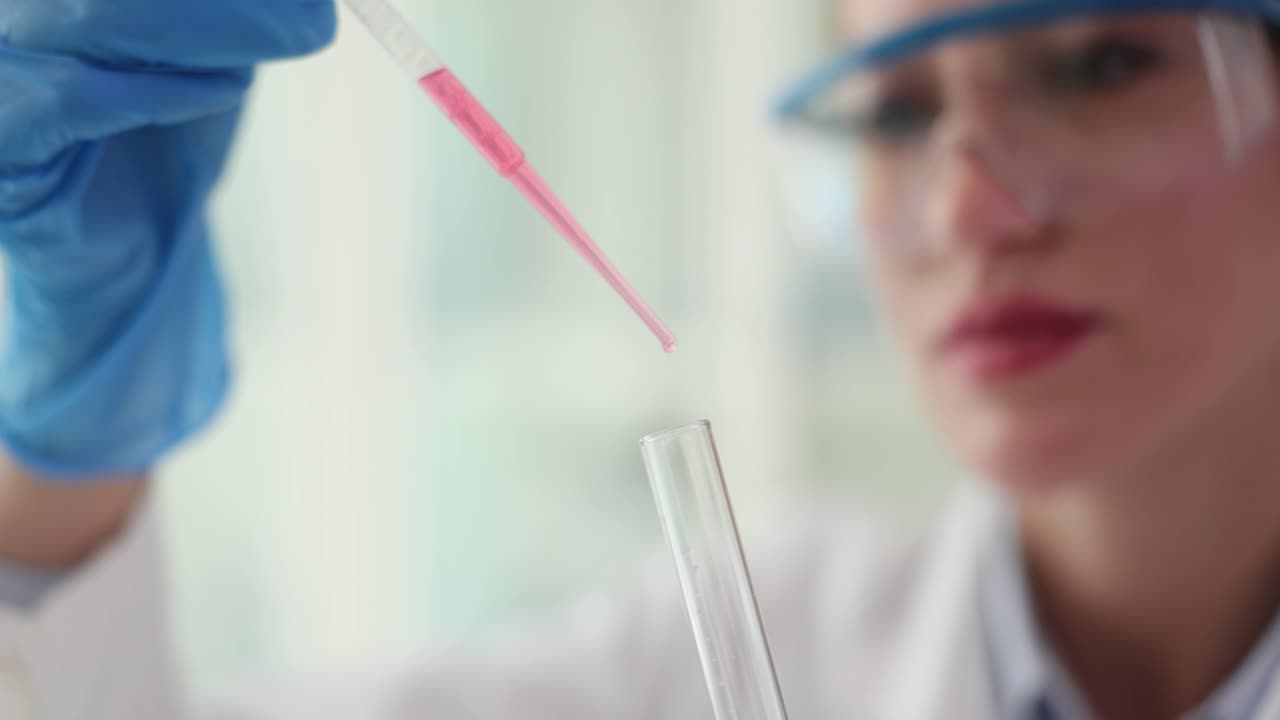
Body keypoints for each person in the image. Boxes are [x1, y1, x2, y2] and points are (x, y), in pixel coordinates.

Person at [5, 0, 1280, 717]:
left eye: (1097, 67)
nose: (964, 211)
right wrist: (67, 454)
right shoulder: (718, 652)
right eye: (895, 113)